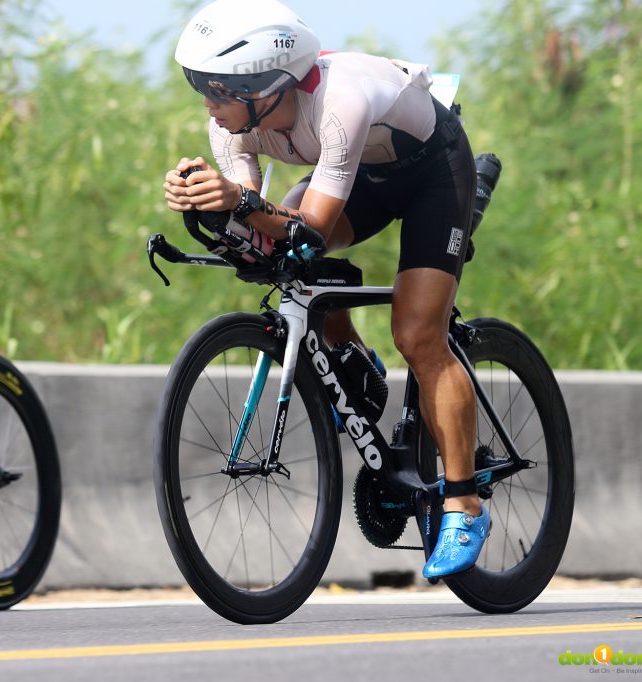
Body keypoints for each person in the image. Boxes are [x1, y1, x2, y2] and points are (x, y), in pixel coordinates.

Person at [162, 0, 488, 579]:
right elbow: (261, 227)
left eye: (216, 88)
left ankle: (463, 501)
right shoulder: (229, 127)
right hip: (364, 176)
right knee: (281, 253)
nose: (206, 104)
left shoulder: (341, 101)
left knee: (418, 334)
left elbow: (309, 225)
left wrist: (239, 204)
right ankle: (354, 361)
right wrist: (210, 208)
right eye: (200, 86)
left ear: (266, 86)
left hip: (432, 174)